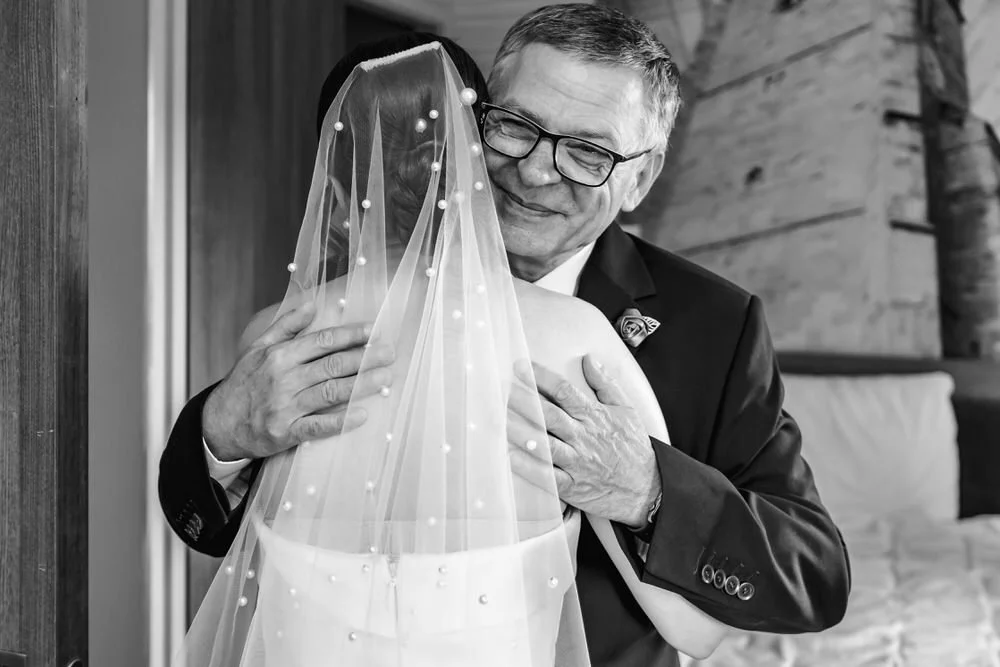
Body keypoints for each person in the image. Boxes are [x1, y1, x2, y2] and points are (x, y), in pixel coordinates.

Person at [160, 6, 852, 666]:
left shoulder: (716, 325)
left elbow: (814, 573)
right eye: (517, 126)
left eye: (588, 152)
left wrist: (646, 491)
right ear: (472, 123)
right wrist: (223, 432)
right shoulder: (333, 309)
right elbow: (231, 531)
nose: (536, 169)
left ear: (641, 178)